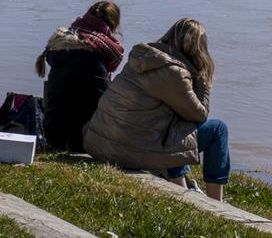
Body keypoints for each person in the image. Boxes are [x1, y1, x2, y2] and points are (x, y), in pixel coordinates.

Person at [83, 18, 229, 200]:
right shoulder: (173, 72)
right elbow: (199, 115)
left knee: (174, 121)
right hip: (126, 152)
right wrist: (204, 80)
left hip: (101, 144)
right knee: (218, 130)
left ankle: (180, 184)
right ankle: (216, 201)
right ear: (198, 49)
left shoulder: (143, 58)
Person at [35, 1, 124, 152]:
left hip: (53, 131)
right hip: (79, 139)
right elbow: (103, 100)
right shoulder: (93, 57)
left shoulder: (62, 49)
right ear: (112, 25)